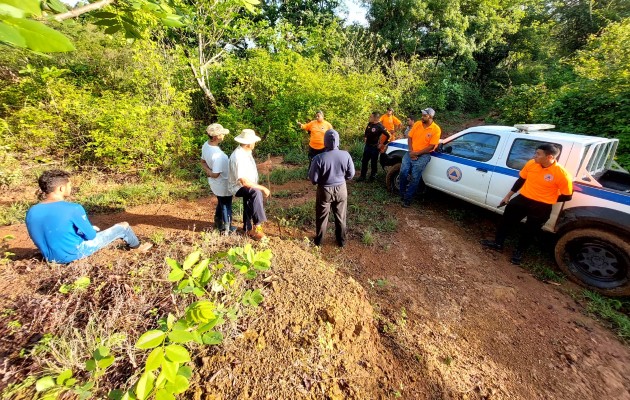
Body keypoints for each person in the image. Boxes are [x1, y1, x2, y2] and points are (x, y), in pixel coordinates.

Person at [25, 170, 152, 264]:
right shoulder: (73, 208)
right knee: (123, 227)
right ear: (61, 188)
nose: (71, 188)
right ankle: (137, 247)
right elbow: (91, 236)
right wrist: (87, 230)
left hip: (49, 257)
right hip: (74, 254)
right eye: (69, 185)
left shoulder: (32, 211)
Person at [481, 144, 573, 265]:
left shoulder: (561, 174)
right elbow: (521, 180)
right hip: (522, 199)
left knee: (530, 230)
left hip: (542, 206)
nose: (534, 156)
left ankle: (518, 252)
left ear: (549, 157)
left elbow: (567, 196)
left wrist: (546, 197)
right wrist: (508, 196)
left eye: (538, 154)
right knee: (506, 221)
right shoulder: (531, 163)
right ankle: (498, 243)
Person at [308, 129, 355, 247]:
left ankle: (319, 241)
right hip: (341, 188)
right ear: (338, 141)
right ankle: (341, 241)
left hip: (325, 190)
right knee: (340, 216)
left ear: (325, 142)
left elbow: (313, 179)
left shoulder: (319, 158)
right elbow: (351, 174)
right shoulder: (346, 155)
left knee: (322, 216)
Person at [228, 129, 271, 240]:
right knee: (256, 192)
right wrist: (263, 188)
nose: (254, 143)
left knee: (249, 199)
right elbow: (244, 182)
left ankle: (247, 229)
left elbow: (248, 169)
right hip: (237, 187)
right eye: (253, 141)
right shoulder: (238, 157)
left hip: (245, 184)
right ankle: (258, 227)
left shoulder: (246, 152)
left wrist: (262, 165)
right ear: (248, 143)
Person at [399, 108, 441, 207]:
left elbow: (431, 146)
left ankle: (407, 199)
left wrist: (416, 154)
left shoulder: (436, 129)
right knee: (403, 172)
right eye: (422, 115)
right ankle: (401, 194)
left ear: (430, 117)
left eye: (424, 116)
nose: (422, 117)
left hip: (424, 155)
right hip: (411, 151)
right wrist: (411, 152)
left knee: (415, 177)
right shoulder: (417, 124)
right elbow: (410, 137)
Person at [200, 123, 235, 235]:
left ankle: (218, 223)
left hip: (215, 183)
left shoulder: (206, 145)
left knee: (221, 203)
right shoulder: (219, 155)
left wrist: (207, 171)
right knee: (226, 205)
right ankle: (226, 229)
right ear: (215, 137)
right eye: (221, 134)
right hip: (222, 184)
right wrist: (210, 173)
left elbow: (203, 162)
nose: (223, 135)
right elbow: (216, 174)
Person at [358, 111, 389, 182]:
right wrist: (365, 137)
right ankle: (362, 176)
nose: (369, 118)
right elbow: (366, 131)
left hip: (374, 147)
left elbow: (389, 135)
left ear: (375, 118)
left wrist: (383, 144)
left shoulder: (380, 126)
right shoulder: (370, 124)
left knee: (373, 163)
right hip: (367, 146)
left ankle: (372, 177)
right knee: (364, 161)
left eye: (371, 117)